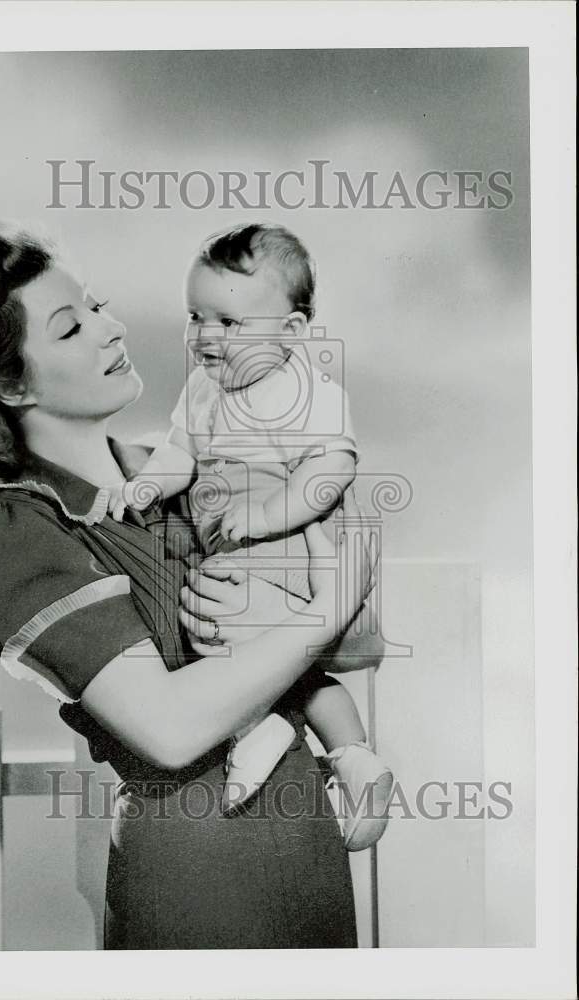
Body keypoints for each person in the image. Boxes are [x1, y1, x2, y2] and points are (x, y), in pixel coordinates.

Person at [0, 223, 382, 950]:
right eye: (72, 328)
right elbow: (170, 730)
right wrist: (313, 619)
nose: (110, 329)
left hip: (314, 850)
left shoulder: (182, 466)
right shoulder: (13, 538)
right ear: (12, 383)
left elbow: (361, 633)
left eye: (99, 306)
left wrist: (303, 613)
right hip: (199, 871)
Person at [107, 223, 393, 837]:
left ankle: (264, 728)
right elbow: (180, 450)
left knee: (238, 644)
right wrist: (150, 483)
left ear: (290, 331)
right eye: (195, 317)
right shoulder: (203, 389)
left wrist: (269, 513)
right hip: (235, 544)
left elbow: (333, 467)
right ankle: (355, 757)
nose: (206, 337)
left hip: (288, 543)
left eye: (230, 324)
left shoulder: (307, 392)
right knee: (290, 666)